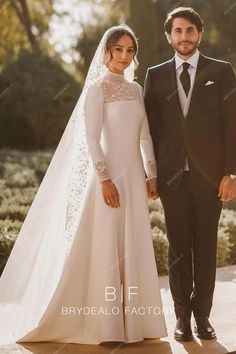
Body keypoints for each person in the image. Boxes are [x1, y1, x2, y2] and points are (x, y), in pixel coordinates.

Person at [0, 24, 167, 345]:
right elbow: (91, 138)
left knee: (131, 246)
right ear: (106, 52)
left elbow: (144, 134)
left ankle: (136, 324)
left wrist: (152, 173)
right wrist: (104, 178)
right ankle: (106, 327)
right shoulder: (97, 89)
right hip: (108, 181)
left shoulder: (134, 90)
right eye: (118, 49)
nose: (123, 56)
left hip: (133, 180)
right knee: (106, 247)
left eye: (130, 50)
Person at [144, 7, 236, 342]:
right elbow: (148, 130)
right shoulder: (154, 75)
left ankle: (203, 317)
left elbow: (232, 124)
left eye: (190, 30)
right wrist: (150, 173)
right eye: (178, 31)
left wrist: (231, 173)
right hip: (172, 179)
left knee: (206, 247)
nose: (184, 37)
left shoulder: (222, 71)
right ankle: (181, 316)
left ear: (200, 34)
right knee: (178, 248)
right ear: (169, 36)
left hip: (211, 178)